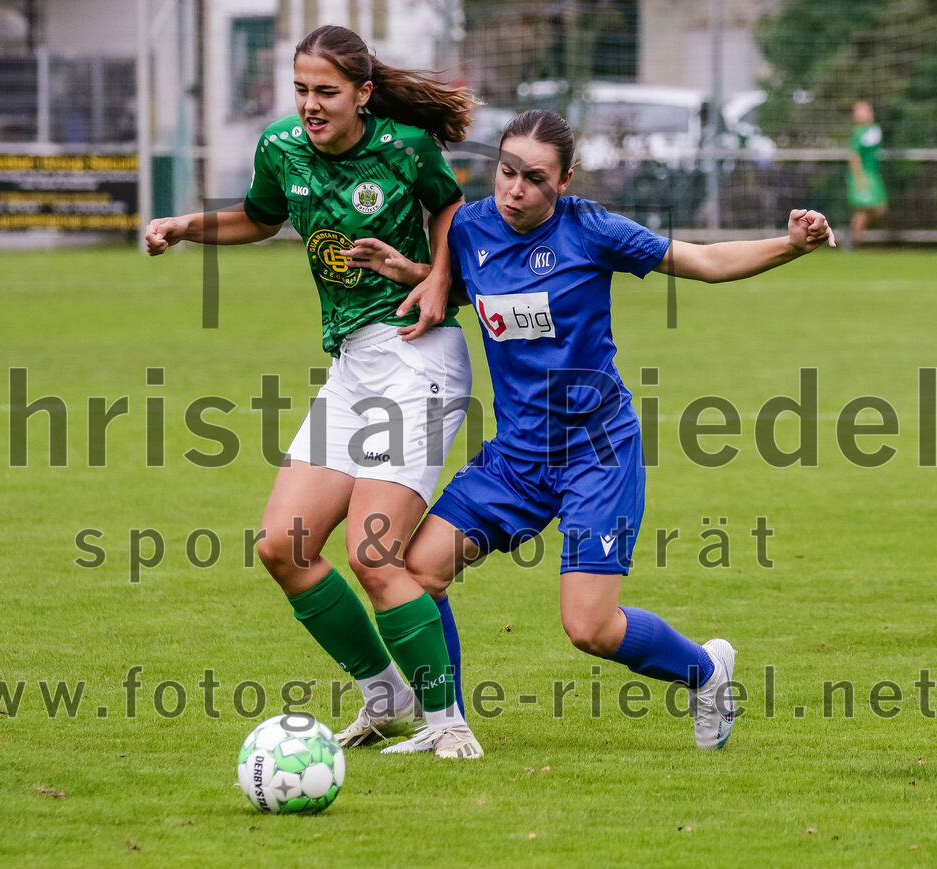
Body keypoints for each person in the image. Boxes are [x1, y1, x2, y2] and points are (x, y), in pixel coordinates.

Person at [343, 109, 835, 755]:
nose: (514, 189)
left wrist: (790, 244)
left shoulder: (592, 230)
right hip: (516, 458)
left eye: (534, 178)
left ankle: (707, 671)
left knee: (590, 627)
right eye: (507, 171)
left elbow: (706, 261)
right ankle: (447, 725)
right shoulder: (469, 227)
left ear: (565, 182)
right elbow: (469, 288)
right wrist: (412, 270)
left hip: (596, 452)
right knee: (416, 572)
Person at [145, 26, 483, 758]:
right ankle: (384, 693)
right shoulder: (280, 149)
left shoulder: (403, 147)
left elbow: (453, 211)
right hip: (352, 367)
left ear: (363, 93)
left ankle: (448, 722)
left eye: (325, 91)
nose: (310, 105)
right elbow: (259, 217)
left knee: (373, 554)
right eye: (300, 90)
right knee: (283, 545)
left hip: (415, 356)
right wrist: (184, 226)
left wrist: (435, 278)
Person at [847, 101, 887, 248]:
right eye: (857, 111)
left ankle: (853, 235)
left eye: (863, 110)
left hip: (873, 174)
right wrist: (859, 177)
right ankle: (853, 242)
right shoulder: (859, 132)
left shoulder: (873, 129)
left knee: (879, 207)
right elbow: (853, 157)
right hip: (863, 175)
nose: (859, 113)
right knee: (863, 209)